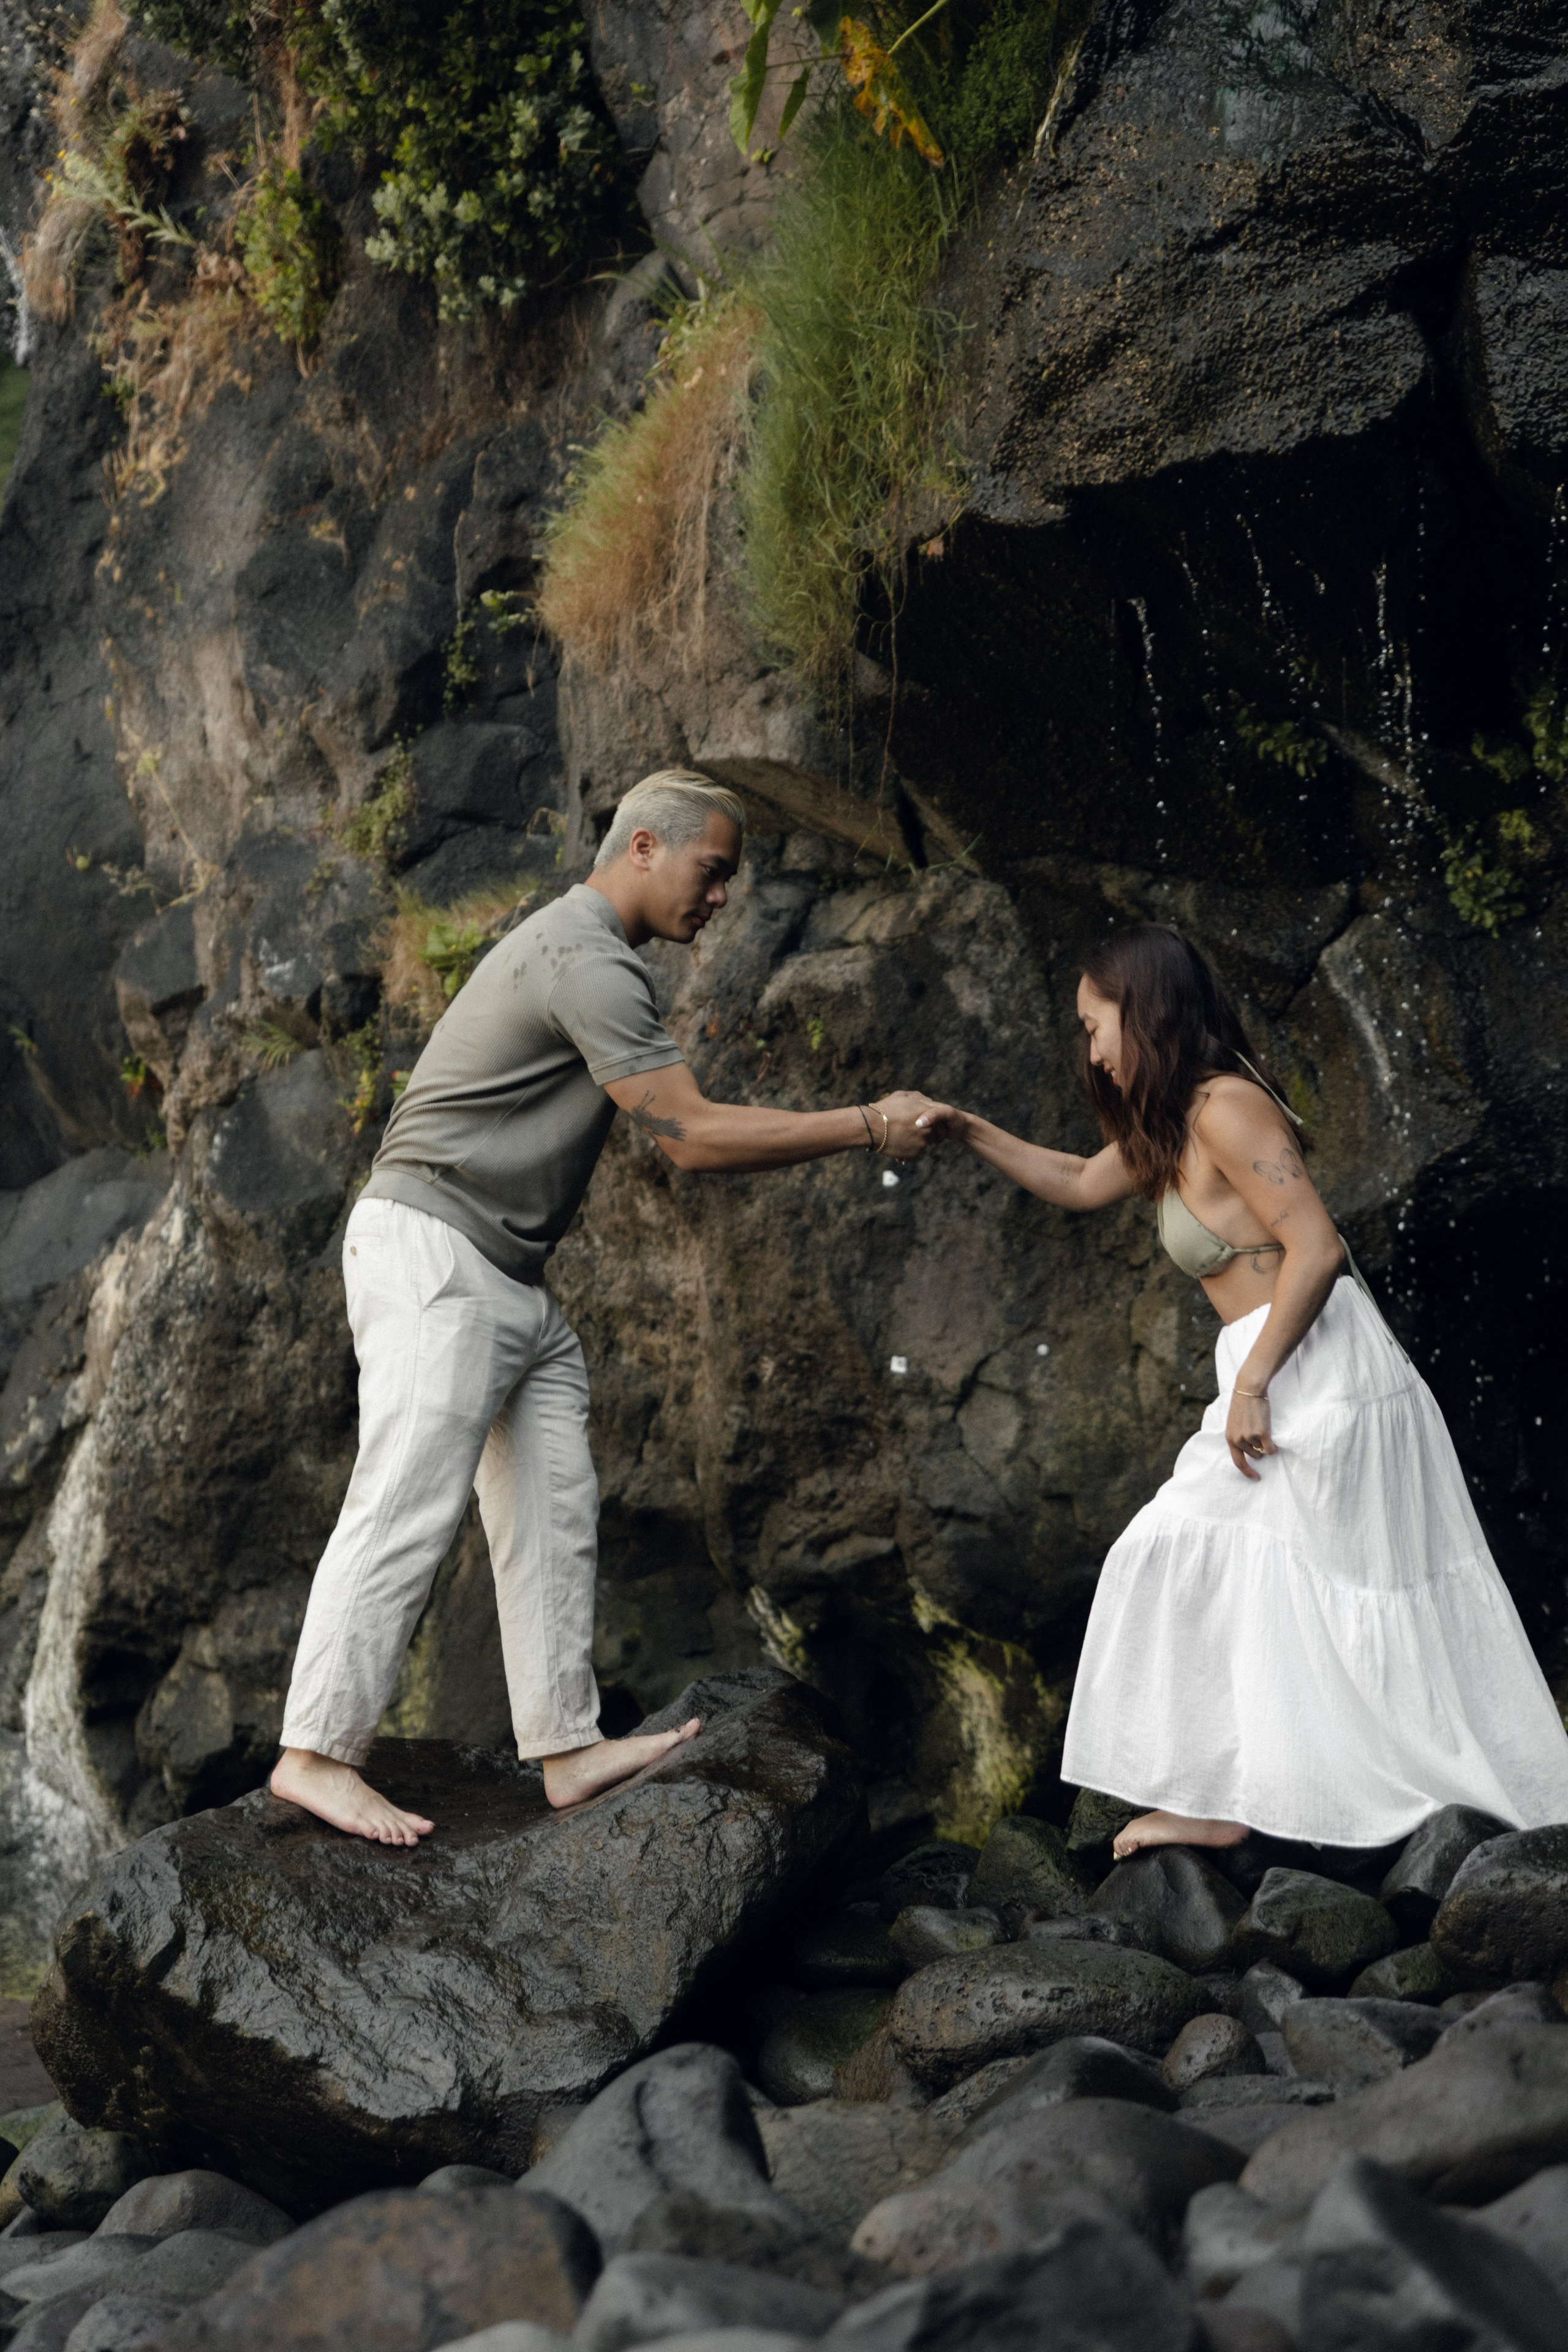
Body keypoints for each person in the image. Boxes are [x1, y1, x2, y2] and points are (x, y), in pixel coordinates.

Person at [271, 770, 936, 1845]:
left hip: (502, 1276)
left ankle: (567, 1746)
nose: (720, 897)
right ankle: (313, 1753)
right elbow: (693, 1136)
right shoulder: (585, 958)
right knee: (405, 1499)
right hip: (435, 1252)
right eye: (710, 871)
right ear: (642, 848)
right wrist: (866, 1123)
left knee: (554, 1501)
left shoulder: (590, 951)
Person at [918, 922, 1568, 1859]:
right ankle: (1242, 1794)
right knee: (1234, 1570)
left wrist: (1256, 1382)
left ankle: (1253, 1802)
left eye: (1096, 1027)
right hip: (1271, 1368)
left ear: (1144, 1011)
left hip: (1322, 1372)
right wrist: (966, 1127)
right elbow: (1078, 1178)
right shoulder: (1171, 1120)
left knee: (1225, 1556)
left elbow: (1317, 1246)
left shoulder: (1226, 1106)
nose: (1091, 1052)